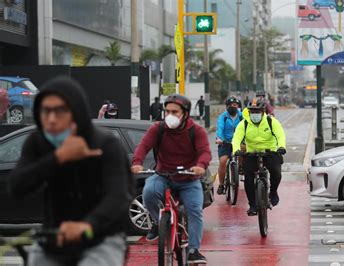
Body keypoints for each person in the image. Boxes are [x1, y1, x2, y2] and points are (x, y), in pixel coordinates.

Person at [8, 76, 132, 265]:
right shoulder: (37, 142)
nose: (51, 119)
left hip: (101, 238)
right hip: (54, 238)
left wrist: (87, 225)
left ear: (76, 112)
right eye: (45, 111)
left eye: (60, 111)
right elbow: (16, 186)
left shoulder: (106, 144)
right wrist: (58, 157)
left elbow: (118, 197)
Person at [131, 94, 211, 264]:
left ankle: (194, 250)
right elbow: (143, 146)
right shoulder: (158, 128)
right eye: (167, 111)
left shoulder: (196, 131)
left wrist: (201, 165)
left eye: (175, 112)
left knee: (195, 210)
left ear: (186, 113)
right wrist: (137, 162)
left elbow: (205, 152)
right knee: (148, 193)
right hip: (163, 175)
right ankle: (157, 222)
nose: (170, 115)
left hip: (189, 179)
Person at [232, 98, 286, 216]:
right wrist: (236, 150)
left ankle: (273, 192)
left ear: (262, 112)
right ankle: (252, 205)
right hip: (252, 153)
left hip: (270, 152)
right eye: (252, 112)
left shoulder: (272, 122)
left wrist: (281, 146)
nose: (254, 114)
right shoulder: (244, 124)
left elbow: (280, 135)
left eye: (257, 112)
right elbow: (236, 138)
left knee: (276, 172)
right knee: (248, 178)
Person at [215, 96, 243, 195]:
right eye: (230, 105)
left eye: (235, 105)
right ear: (227, 107)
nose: (233, 107)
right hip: (225, 142)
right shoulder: (223, 117)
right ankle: (221, 184)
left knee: (244, 149)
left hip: (238, 141)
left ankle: (240, 167)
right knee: (223, 161)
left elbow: (247, 127)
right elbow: (220, 128)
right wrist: (219, 138)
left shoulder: (241, 116)